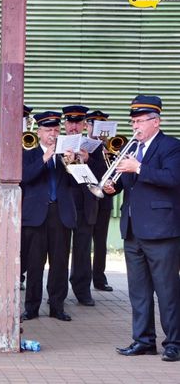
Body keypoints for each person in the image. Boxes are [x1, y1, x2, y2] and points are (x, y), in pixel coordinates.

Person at [104, 95, 180, 362]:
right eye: (133, 121)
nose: (135, 126)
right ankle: (144, 341)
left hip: (161, 230)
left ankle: (175, 343)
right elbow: (128, 184)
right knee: (139, 291)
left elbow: (173, 179)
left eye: (139, 121)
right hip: (133, 229)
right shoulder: (130, 148)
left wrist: (139, 167)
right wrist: (113, 187)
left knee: (168, 290)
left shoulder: (171, 147)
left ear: (155, 122)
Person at [21, 111, 76, 322]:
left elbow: (77, 184)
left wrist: (72, 164)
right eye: (48, 130)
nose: (52, 134)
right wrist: (45, 158)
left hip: (60, 214)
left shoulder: (67, 155)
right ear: (39, 132)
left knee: (60, 263)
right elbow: (24, 178)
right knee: (34, 264)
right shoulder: (29, 153)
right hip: (36, 216)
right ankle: (31, 307)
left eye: (56, 130)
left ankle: (57, 306)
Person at [62, 105, 105, 307]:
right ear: (65, 124)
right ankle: (57, 293)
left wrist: (88, 158)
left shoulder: (95, 147)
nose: (73, 127)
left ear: (84, 125)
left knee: (83, 250)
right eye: (70, 122)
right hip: (64, 205)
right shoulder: (58, 144)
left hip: (86, 205)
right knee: (59, 250)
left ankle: (82, 290)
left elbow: (103, 175)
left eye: (78, 123)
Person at [0, 104, 32, 289]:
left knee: (24, 237)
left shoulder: (31, 140)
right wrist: (7, 145)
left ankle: (19, 276)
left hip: (26, 193)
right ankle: (1, 276)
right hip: (1, 193)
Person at [85, 110, 114, 292]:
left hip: (104, 199)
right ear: (87, 126)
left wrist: (109, 153)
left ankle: (99, 278)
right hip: (87, 197)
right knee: (85, 240)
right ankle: (84, 279)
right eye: (93, 125)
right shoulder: (83, 145)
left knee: (101, 240)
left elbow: (111, 174)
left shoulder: (110, 147)